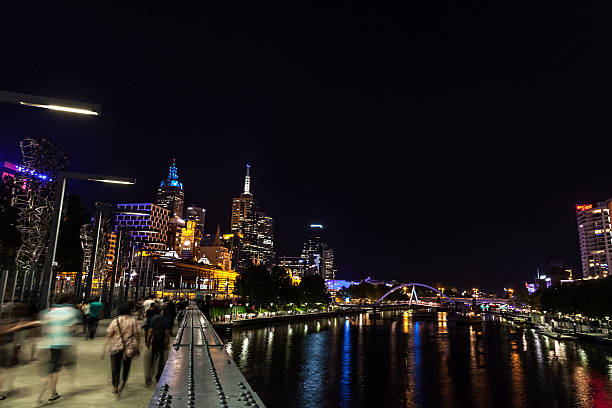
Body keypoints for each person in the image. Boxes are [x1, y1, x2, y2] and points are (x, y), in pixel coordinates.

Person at [35, 295, 80, 404]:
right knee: (54, 370)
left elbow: (44, 328)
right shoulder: (72, 312)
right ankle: (51, 393)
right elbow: (73, 328)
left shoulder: (48, 312)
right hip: (61, 344)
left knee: (49, 369)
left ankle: (48, 393)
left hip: (48, 344)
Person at [102, 302, 140, 394]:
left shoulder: (116, 321)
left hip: (115, 346)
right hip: (129, 347)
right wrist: (138, 345)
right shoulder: (133, 321)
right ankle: (124, 381)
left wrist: (104, 348)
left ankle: (115, 386)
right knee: (126, 366)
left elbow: (109, 334)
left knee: (115, 367)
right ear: (130, 310)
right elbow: (137, 334)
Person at [145, 305, 171, 386]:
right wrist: (167, 342)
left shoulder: (154, 318)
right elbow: (167, 332)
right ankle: (158, 376)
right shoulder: (166, 319)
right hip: (162, 341)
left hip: (155, 340)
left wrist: (148, 341)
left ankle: (149, 376)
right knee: (161, 359)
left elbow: (151, 330)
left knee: (153, 358)